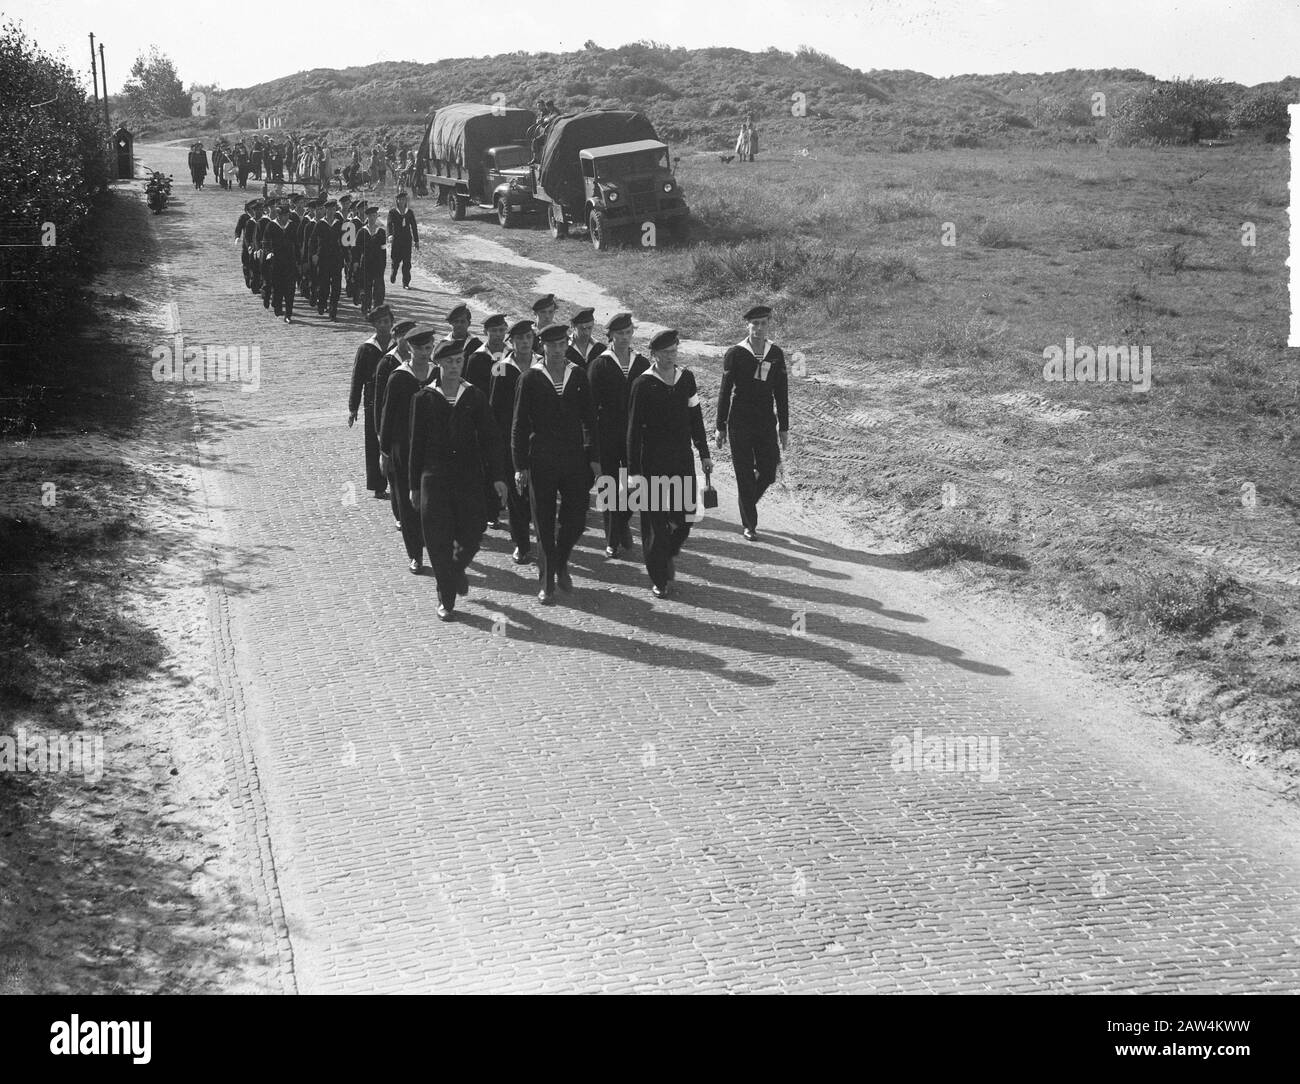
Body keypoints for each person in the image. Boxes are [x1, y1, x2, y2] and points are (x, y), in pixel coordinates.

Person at [408, 339, 508, 620]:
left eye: (459, 361)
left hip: (468, 478)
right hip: (434, 479)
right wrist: (414, 485)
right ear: (437, 364)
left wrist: (498, 477)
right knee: (438, 539)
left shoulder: (474, 396)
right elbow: (416, 445)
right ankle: (446, 598)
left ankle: (455, 570)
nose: (455, 367)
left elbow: (491, 439)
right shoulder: (423, 399)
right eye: (449, 362)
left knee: (473, 532)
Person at [511, 322, 600, 603]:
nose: (559, 351)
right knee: (544, 523)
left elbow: (590, 420)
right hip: (542, 460)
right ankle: (547, 581)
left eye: (563, 344)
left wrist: (594, 458)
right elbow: (518, 426)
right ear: (543, 347)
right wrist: (519, 465)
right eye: (553, 346)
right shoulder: (530, 379)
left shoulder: (578, 375)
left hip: (574, 459)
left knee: (575, 519)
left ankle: (561, 561)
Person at [627, 329, 712, 598]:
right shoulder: (643, 384)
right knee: (655, 525)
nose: (669, 357)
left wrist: (704, 452)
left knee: (685, 517)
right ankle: (659, 578)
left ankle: (667, 552)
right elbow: (633, 431)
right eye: (664, 353)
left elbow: (696, 417)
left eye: (673, 351)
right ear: (654, 355)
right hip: (652, 462)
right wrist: (633, 473)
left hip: (681, 460)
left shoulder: (686, 379)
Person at [715, 304, 789, 541]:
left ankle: (746, 501)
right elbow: (725, 392)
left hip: (766, 420)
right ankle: (750, 524)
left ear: (769, 325)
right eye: (754, 324)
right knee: (744, 473)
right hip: (740, 421)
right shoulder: (735, 353)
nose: (759, 328)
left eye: (763, 323)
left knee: (768, 472)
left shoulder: (775, 353)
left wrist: (784, 428)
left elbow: (782, 392)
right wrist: (720, 426)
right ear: (747, 326)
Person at [587, 312, 650, 557]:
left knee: (635, 484)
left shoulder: (642, 364)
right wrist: (592, 445)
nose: (625, 338)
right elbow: (590, 410)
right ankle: (612, 537)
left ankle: (622, 522)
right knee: (610, 486)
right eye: (620, 334)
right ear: (610, 336)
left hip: (635, 435)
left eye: (628, 333)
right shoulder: (599, 365)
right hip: (608, 435)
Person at [380, 325, 439, 573]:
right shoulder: (399, 377)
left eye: (429, 348)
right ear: (410, 349)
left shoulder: (438, 373)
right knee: (407, 502)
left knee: (432, 502)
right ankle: (415, 553)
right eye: (421, 349)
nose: (426, 353)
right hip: (403, 449)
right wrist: (384, 452)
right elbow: (387, 415)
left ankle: (433, 545)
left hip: (431, 448)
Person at [489, 320, 536, 564]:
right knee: (517, 497)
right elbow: (495, 411)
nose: (525, 342)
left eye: (528, 337)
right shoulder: (501, 368)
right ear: (512, 342)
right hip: (512, 441)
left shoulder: (543, 364)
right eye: (520, 339)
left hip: (539, 441)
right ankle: (521, 543)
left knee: (537, 493)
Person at [465, 314, 509, 527]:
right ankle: (491, 511)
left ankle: (505, 503)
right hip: (484, 419)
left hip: (507, 418)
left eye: (502, 330)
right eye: (494, 331)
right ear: (486, 332)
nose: (498, 335)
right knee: (489, 464)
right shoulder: (477, 358)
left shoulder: (511, 355)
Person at [348, 303, 395, 499]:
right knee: (374, 442)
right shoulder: (366, 349)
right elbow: (357, 379)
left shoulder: (398, 346)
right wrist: (353, 407)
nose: (384, 326)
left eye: (387, 322)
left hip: (395, 399)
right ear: (374, 325)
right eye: (380, 322)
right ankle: (377, 484)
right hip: (372, 401)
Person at [264, 198, 298, 323]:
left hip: (290, 262)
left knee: (290, 289)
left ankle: (288, 314)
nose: (286, 217)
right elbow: (266, 242)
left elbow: (297, 243)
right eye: (284, 215)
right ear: (278, 216)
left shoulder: (292, 225)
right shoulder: (271, 225)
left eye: (287, 215)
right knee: (278, 287)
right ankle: (277, 306)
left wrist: (299, 261)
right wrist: (268, 253)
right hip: (276, 262)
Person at [311, 198, 344, 320]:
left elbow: (346, 241)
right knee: (324, 285)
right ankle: (322, 303)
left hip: (336, 259)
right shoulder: (320, 224)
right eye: (329, 209)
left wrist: (347, 257)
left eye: (333, 209)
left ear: (336, 210)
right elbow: (313, 241)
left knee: (336, 286)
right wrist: (314, 254)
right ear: (325, 210)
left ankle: (333, 310)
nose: (331, 211)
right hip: (323, 259)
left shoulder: (339, 223)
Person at [358, 205, 387, 314]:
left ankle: (377, 309)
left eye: (375, 216)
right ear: (367, 217)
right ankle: (365, 308)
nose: (373, 218)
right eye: (371, 216)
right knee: (366, 287)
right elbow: (357, 249)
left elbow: (383, 249)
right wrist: (356, 262)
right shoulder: (362, 232)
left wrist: (383, 265)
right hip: (365, 263)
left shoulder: (381, 232)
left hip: (378, 263)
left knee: (379, 288)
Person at [387, 191, 419, 289]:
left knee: (407, 262)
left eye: (404, 199)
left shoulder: (409, 212)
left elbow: (414, 226)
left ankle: (406, 283)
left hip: (406, 240)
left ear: (406, 201)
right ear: (397, 200)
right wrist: (389, 235)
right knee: (396, 260)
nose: (402, 201)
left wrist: (416, 240)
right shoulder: (392, 212)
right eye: (400, 199)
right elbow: (389, 224)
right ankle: (394, 271)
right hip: (396, 240)